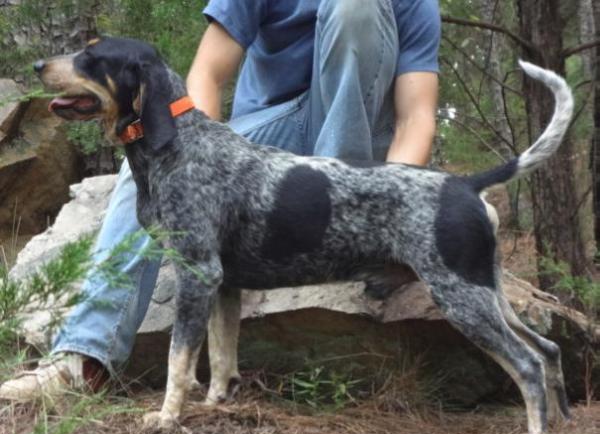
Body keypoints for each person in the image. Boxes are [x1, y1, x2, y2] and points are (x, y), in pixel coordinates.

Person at [0, 0, 440, 400]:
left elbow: (414, 117)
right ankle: (85, 357)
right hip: (271, 131)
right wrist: (189, 177)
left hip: (356, 147)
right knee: (148, 165)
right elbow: (207, 75)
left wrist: (396, 210)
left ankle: (339, 231)